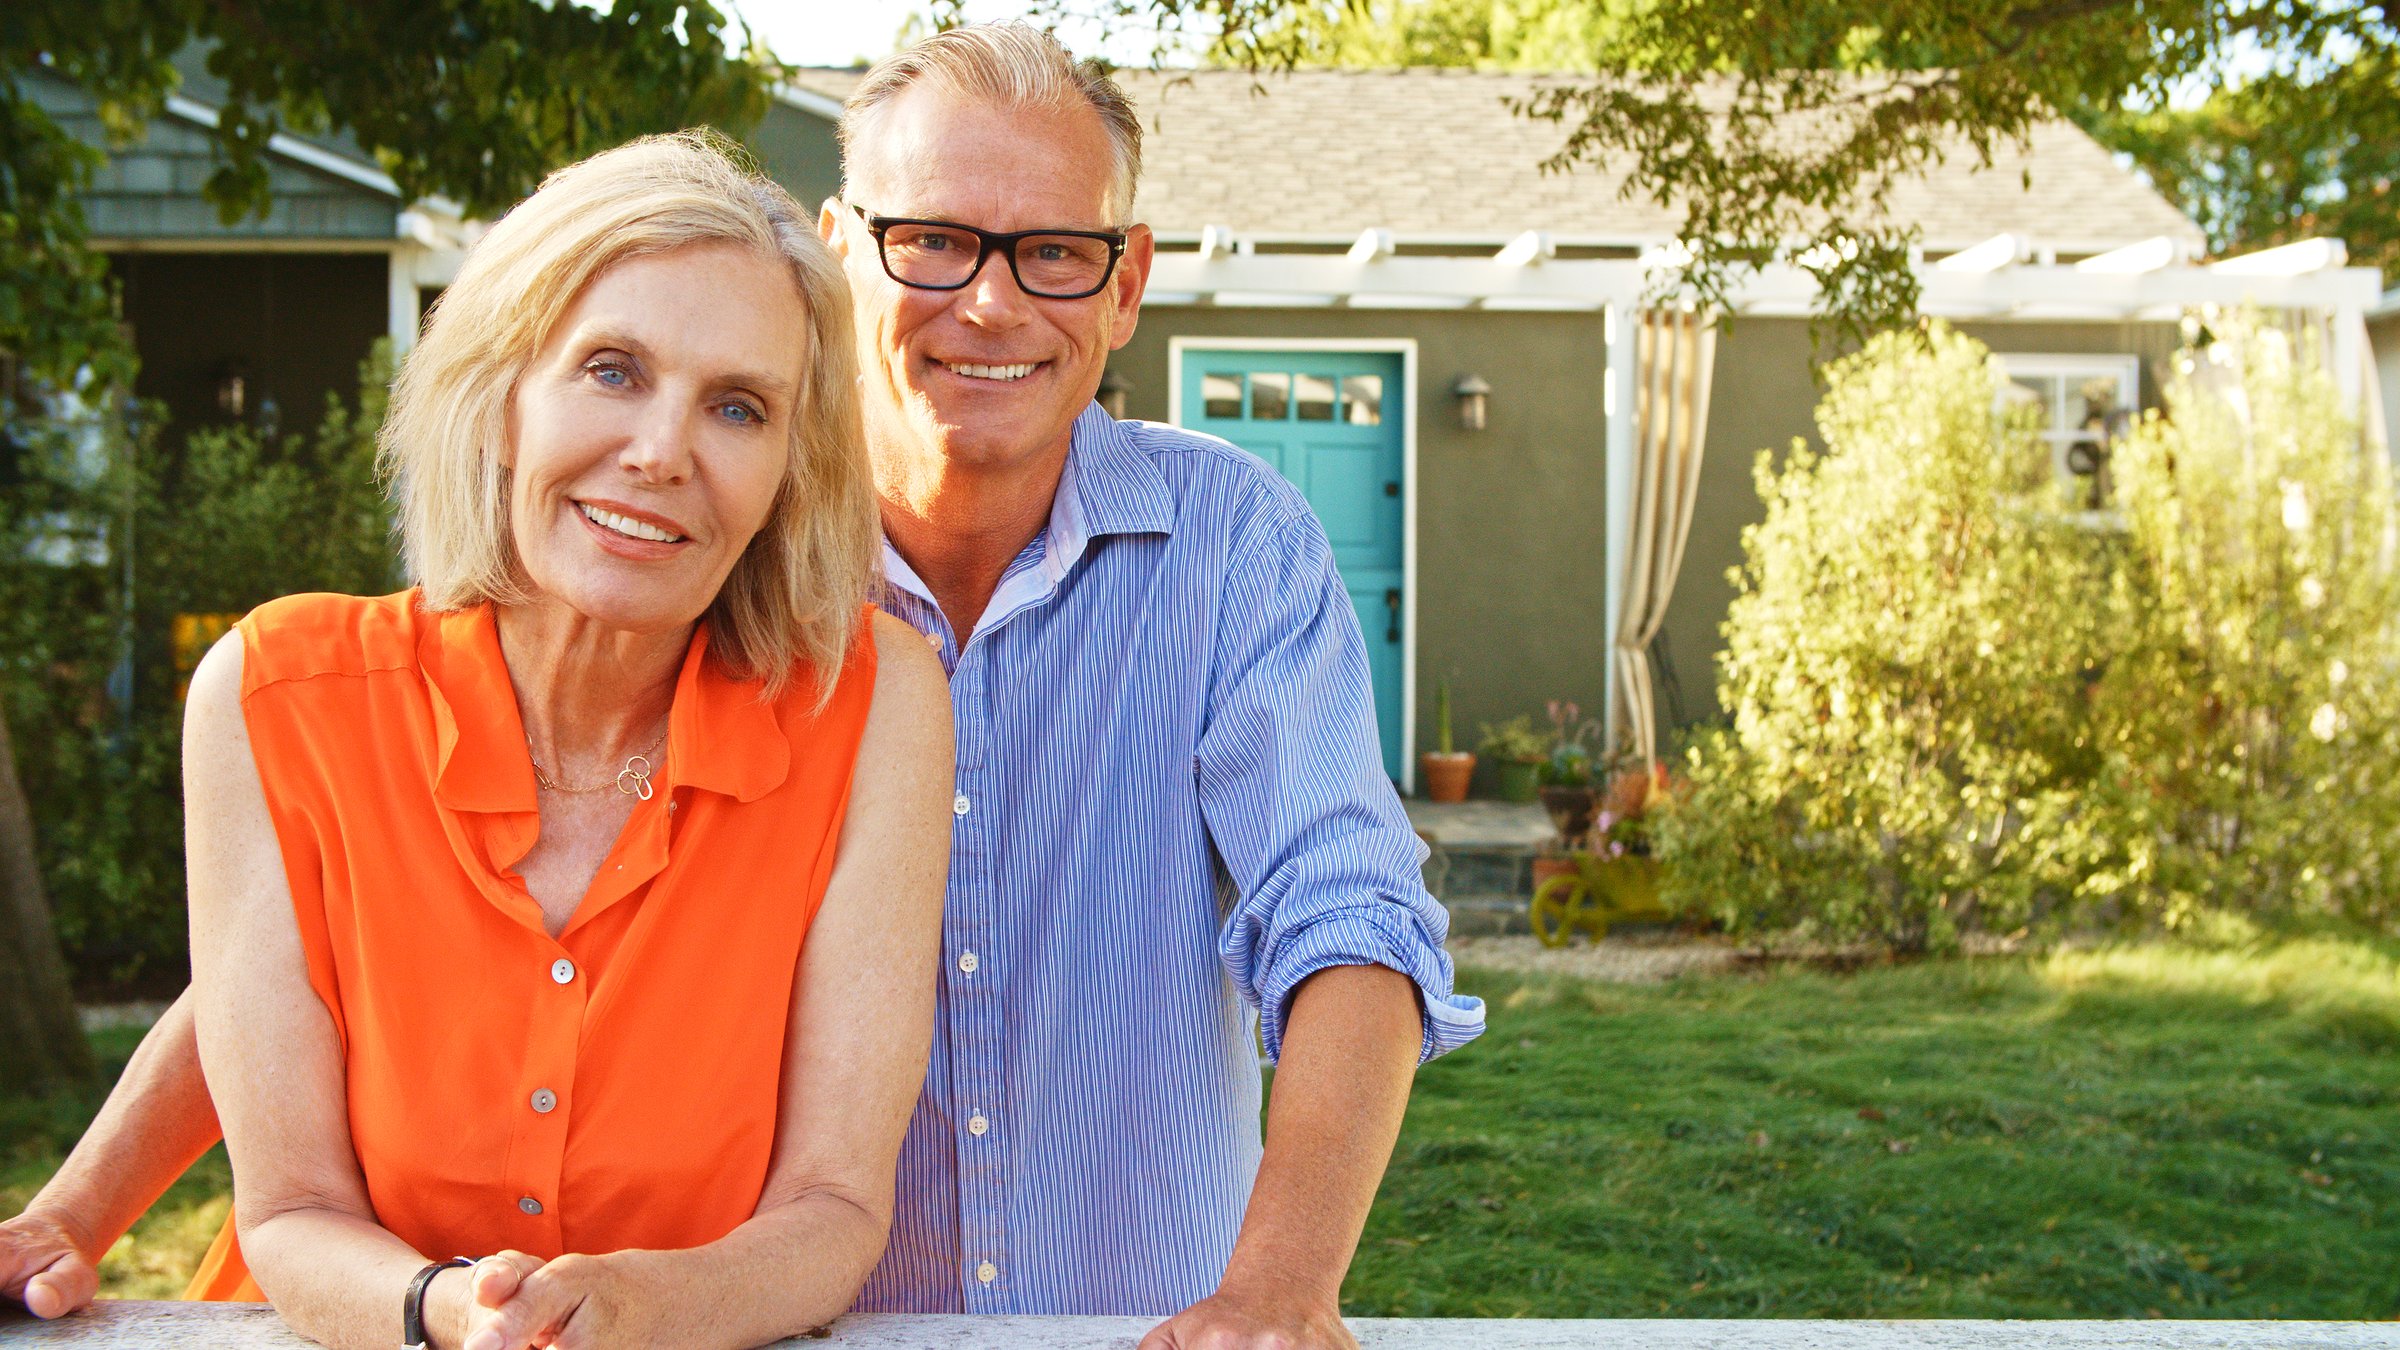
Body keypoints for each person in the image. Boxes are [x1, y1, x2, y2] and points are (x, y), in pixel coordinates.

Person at [1, 25, 1484, 1350]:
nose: (990, 302)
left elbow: (1345, 910)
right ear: (845, 251)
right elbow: (355, 929)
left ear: (1125, 282)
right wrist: (82, 1203)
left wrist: (1282, 1283)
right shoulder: (675, 558)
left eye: (1053, 251)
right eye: (935, 242)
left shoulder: (1222, 549)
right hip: (777, 1325)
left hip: (1121, 1313)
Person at [24, 131, 955, 1350]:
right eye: (612, 370)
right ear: (503, 396)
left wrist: (621, 1307)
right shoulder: (273, 696)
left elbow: (833, 1210)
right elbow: (292, 1202)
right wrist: (450, 1312)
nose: (664, 451)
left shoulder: (873, 702)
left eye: (738, 406)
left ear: (788, 470)